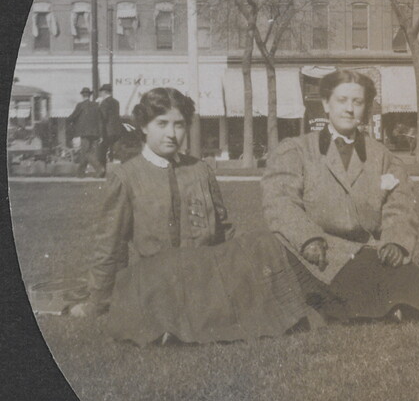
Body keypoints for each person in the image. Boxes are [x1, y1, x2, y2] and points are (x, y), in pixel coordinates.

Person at [71, 87, 309, 344]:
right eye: (162, 124)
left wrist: (243, 270)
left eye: (179, 125)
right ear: (144, 127)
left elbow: (224, 232)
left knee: (265, 243)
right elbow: (110, 246)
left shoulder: (200, 170)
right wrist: (99, 302)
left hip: (205, 277)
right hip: (160, 281)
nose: (171, 134)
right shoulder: (126, 176)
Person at [261, 69, 419, 323]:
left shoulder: (382, 156)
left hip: (364, 251)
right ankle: (391, 308)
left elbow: (399, 206)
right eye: (342, 100)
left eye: (357, 102)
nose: (349, 109)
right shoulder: (296, 150)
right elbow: (280, 201)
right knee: (363, 285)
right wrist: (307, 238)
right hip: (313, 253)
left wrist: (395, 242)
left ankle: (392, 307)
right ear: (326, 104)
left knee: (407, 275)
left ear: (365, 109)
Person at [67, 87, 104, 178]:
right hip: (95, 133)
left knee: (86, 153)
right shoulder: (96, 105)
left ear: (82, 95)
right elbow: (100, 120)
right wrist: (101, 134)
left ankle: (99, 169)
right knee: (89, 153)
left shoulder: (80, 105)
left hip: (85, 133)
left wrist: (67, 121)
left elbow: (73, 116)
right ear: (90, 95)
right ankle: (81, 173)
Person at [97, 83, 123, 169]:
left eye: (101, 92)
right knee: (116, 151)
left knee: (101, 151)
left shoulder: (104, 103)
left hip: (107, 131)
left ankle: (102, 170)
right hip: (117, 130)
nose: (101, 94)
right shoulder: (116, 102)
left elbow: (103, 118)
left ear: (104, 92)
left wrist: (100, 134)